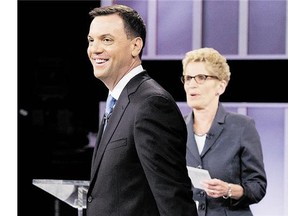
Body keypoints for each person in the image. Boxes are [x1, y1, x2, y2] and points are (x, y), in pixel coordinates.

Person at [86, 4, 198, 216]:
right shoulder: (119, 100)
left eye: (107, 40)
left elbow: (173, 199)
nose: (95, 49)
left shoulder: (152, 103)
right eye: (91, 40)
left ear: (135, 46)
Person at [181, 47, 267, 216]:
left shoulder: (242, 126)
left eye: (201, 77)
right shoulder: (177, 128)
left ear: (221, 86)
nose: (191, 84)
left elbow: (258, 187)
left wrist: (229, 190)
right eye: (188, 78)